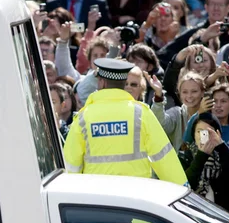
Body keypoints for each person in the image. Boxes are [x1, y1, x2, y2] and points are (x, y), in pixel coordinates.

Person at [63, 58, 189, 186]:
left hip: (97, 198)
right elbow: (163, 156)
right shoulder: (141, 113)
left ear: (102, 83)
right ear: (123, 84)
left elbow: (71, 165)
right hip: (135, 198)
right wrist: (183, 186)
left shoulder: (83, 117)